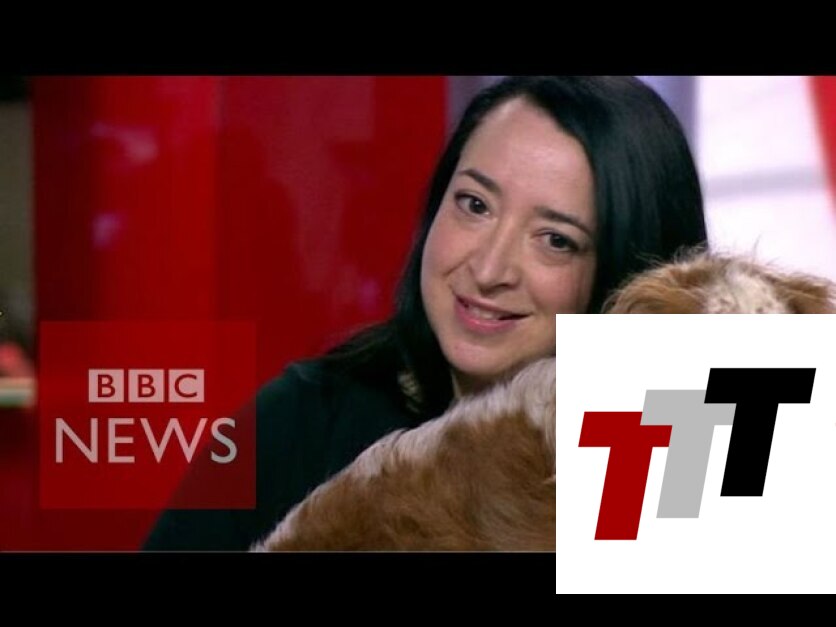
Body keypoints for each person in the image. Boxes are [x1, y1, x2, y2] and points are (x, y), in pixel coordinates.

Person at [143, 76, 708, 550]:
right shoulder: (304, 419)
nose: (488, 268)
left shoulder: (679, 455)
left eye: (556, 240)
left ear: (631, 270)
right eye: (474, 204)